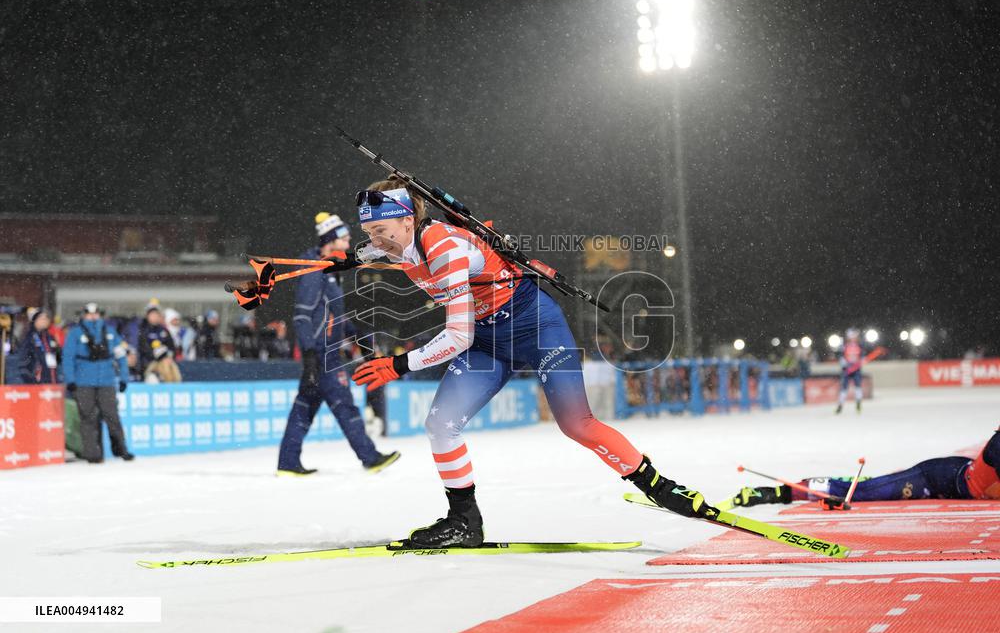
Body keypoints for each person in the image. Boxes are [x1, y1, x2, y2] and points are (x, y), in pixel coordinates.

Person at [345, 178, 708, 548]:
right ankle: (464, 522)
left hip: (536, 330)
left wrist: (399, 365)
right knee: (440, 425)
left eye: (380, 229)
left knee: (576, 425)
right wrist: (300, 266)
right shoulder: (394, 245)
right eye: (368, 231)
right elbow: (357, 256)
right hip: (488, 343)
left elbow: (458, 336)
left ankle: (658, 487)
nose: (376, 239)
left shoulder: (445, 247)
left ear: (408, 220)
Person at [276, 212, 399, 476]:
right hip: (323, 353)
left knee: (304, 408)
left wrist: (360, 339)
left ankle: (287, 463)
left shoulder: (329, 270)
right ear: (330, 239)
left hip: (325, 350)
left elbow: (335, 316)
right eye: (344, 237)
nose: (349, 240)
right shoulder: (313, 269)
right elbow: (302, 314)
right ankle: (370, 457)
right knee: (344, 404)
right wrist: (309, 353)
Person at [729, 427, 1000, 507]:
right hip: (936, 478)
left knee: (876, 485)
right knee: (862, 493)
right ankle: (778, 493)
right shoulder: (997, 446)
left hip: (958, 474)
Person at [62, 303, 133, 463]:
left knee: (112, 416)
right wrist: (70, 380)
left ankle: (121, 449)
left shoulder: (109, 332)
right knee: (88, 418)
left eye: (96, 314)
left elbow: (121, 356)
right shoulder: (75, 334)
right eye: (89, 314)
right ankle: (93, 454)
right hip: (84, 381)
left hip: (106, 380)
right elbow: (68, 358)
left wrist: (123, 377)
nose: (93, 317)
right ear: (83, 315)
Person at [16, 309, 61, 384]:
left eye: (46, 318)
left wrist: (58, 351)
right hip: (37, 381)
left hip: (51, 379)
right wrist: (30, 378)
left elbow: (57, 358)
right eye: (41, 318)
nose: (45, 320)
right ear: (35, 321)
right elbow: (23, 361)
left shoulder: (50, 337)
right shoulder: (29, 338)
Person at [138, 303, 181, 382]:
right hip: (150, 364)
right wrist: (160, 357)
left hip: (166, 362)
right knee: (154, 378)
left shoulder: (163, 330)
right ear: (148, 316)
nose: (154, 317)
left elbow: (172, 347)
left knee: (173, 370)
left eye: (156, 314)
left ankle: (174, 388)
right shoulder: (143, 330)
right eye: (152, 314)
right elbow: (145, 350)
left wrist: (169, 356)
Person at [835, 327, 867, 414]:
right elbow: (840, 356)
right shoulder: (844, 346)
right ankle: (840, 405)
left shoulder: (860, 345)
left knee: (858, 387)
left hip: (856, 370)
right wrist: (844, 363)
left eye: (855, 335)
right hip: (847, 370)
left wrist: (862, 361)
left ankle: (858, 404)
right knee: (844, 388)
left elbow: (863, 356)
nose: (854, 337)